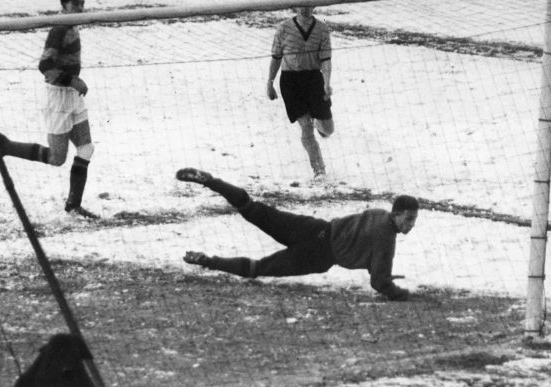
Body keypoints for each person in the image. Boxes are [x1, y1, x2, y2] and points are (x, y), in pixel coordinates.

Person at [177, 167, 418, 301]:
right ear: (396, 215)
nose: (411, 225)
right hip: (320, 256)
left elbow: (362, 241)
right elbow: (379, 282)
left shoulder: (377, 214)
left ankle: (211, 181)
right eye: (408, 219)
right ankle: (207, 262)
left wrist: (371, 263)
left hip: (315, 228)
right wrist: (399, 293)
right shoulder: (386, 239)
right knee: (259, 268)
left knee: (254, 209)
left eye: (414, 220)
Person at [0, 0, 98, 220]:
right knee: (57, 158)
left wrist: (73, 83)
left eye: (82, 2)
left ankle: (73, 206)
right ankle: (5, 146)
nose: (81, 7)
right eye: (76, 3)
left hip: (73, 96)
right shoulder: (59, 28)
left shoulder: (73, 24)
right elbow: (45, 66)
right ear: (64, 4)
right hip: (58, 98)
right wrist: (72, 80)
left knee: (86, 148)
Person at [267, 6, 334, 180]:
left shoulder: (321, 29)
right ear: (294, 5)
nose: (305, 8)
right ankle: (319, 169)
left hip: (313, 80)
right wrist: (270, 82)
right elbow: (276, 57)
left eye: (309, 3)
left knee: (328, 129)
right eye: (301, 3)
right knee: (305, 126)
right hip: (291, 82)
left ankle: (319, 121)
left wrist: (327, 83)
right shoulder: (283, 28)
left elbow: (326, 60)